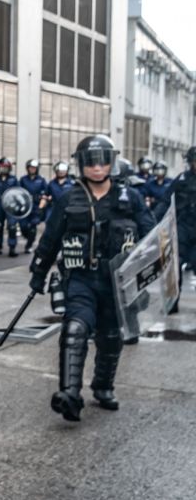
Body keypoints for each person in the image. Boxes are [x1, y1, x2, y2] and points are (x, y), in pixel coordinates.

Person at [29, 135, 155, 422]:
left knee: (111, 337)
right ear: (81, 165)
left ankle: (103, 387)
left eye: (103, 162)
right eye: (91, 162)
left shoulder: (130, 198)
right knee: (74, 329)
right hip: (81, 279)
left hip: (116, 282)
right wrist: (38, 273)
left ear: (111, 163)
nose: (98, 168)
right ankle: (70, 394)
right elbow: (50, 240)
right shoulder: (68, 198)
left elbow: (150, 236)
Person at [162, 147, 196, 294]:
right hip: (182, 227)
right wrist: (154, 223)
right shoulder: (182, 179)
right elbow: (165, 201)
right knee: (176, 263)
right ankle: (173, 298)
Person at [18, 159, 48, 254]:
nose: (32, 169)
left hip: (36, 207)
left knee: (32, 227)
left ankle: (29, 245)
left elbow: (45, 194)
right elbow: (18, 192)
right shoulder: (23, 179)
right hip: (25, 207)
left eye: (34, 168)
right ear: (27, 168)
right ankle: (29, 237)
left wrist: (41, 207)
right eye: (31, 168)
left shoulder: (41, 180)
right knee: (23, 226)